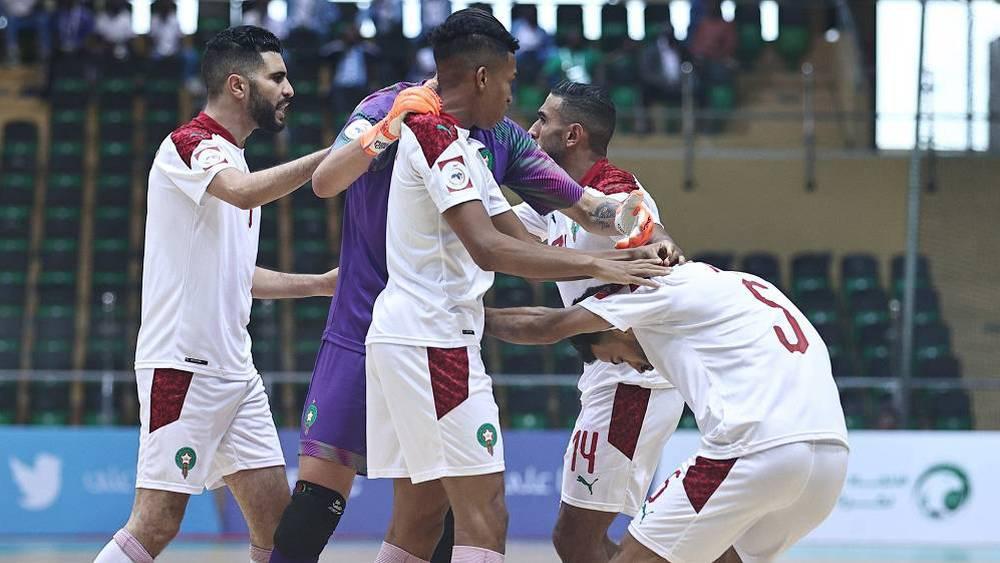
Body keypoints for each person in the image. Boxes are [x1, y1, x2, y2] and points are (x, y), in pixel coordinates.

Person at [269, 8, 677, 563]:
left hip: (420, 326)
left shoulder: (491, 139)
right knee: (459, 513)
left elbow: (580, 207)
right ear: (484, 75)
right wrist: (608, 269)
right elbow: (325, 182)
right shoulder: (408, 116)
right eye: (511, 81)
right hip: (401, 325)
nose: (517, 100)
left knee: (427, 512)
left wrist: (646, 230)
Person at [93, 25, 437, 563]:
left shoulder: (233, 156)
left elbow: (241, 277)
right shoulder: (189, 147)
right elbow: (243, 193)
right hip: (182, 367)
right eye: (276, 77)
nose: (289, 89)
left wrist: (323, 284)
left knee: (279, 534)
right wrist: (351, 146)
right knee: (157, 522)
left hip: (235, 372)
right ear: (237, 85)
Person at [484, 262, 850, 563]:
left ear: (610, 321)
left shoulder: (647, 292)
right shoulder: (744, 283)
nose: (631, 366)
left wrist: (465, 315)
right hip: (831, 463)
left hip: (752, 449)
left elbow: (545, 325)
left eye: (616, 357)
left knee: (632, 556)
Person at [515, 80, 686, 562]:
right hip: (607, 374)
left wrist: (661, 245)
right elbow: (492, 235)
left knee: (575, 538)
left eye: (542, 120)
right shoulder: (554, 198)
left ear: (572, 136)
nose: (531, 129)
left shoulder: (613, 188)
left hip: (634, 381)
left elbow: (646, 231)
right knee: (598, 538)